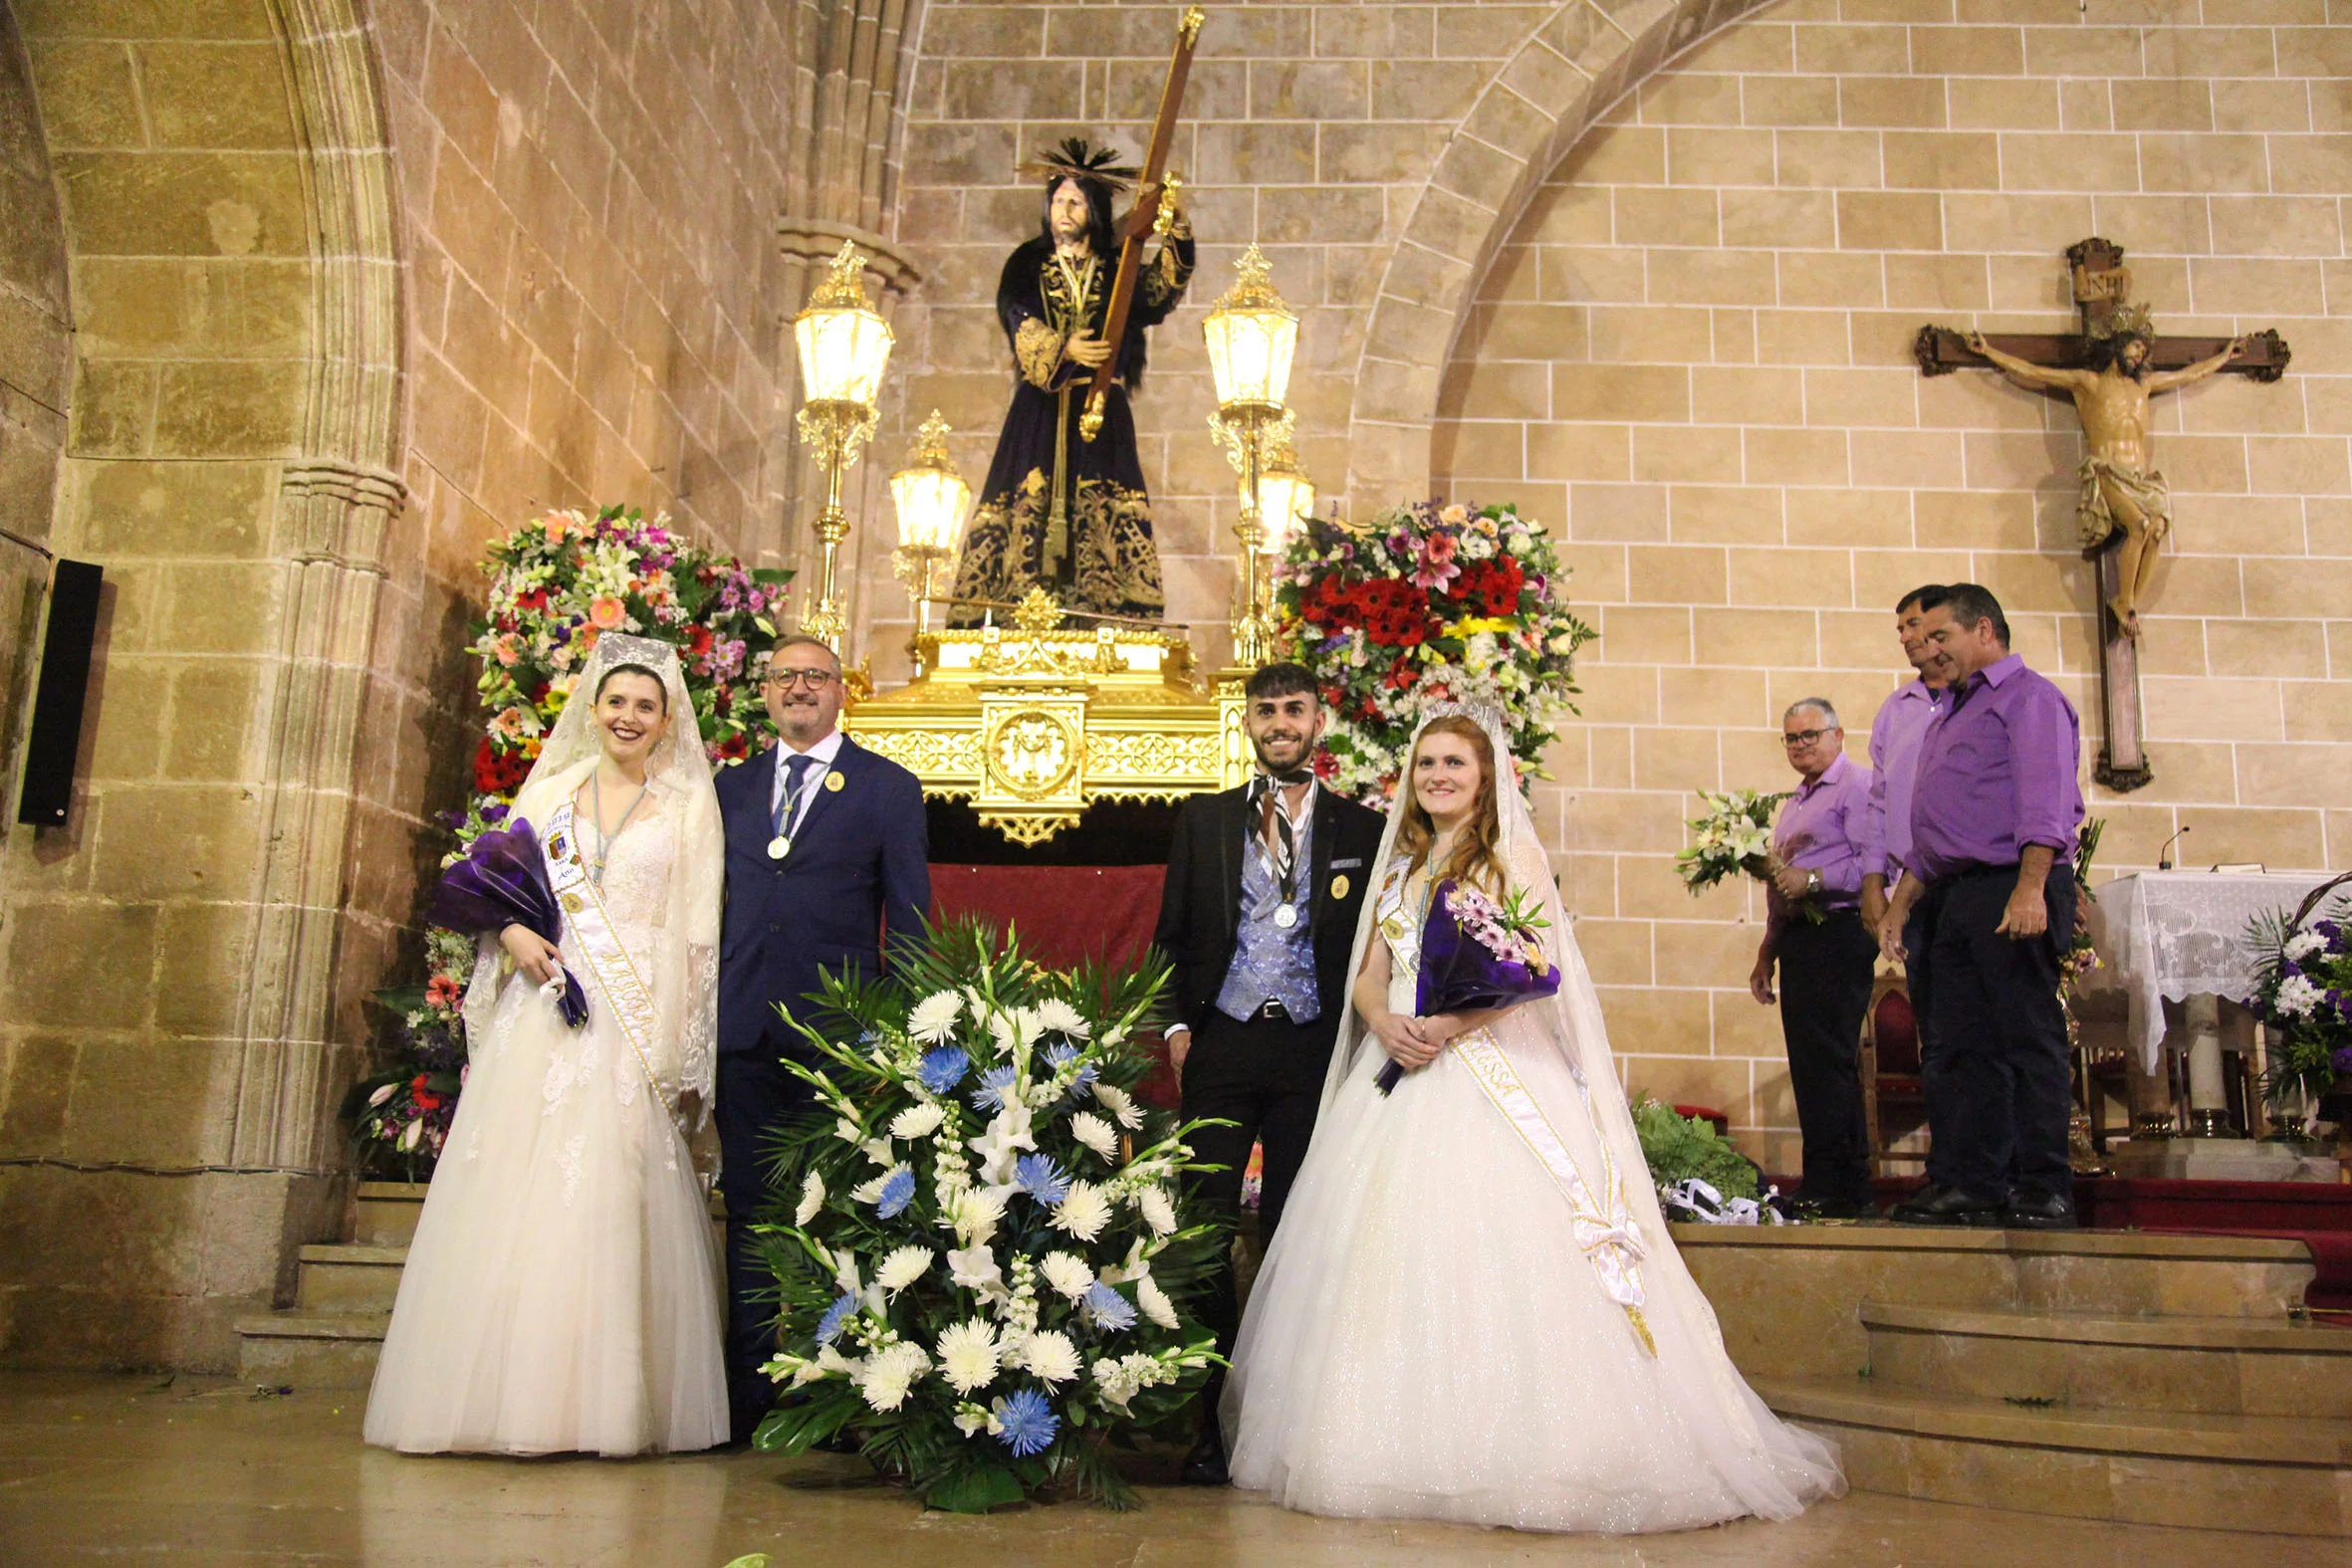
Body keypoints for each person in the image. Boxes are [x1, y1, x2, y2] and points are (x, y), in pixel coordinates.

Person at [1224, 706, 1845, 1531]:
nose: (1439, 775)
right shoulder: (1402, 858)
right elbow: (1369, 972)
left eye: (1456, 763)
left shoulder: (1511, 854)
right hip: (1399, 1064)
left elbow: (1536, 965)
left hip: (1493, 1067)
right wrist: (1385, 1022)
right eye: (1428, 763)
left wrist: (1447, 1025)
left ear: (1486, 778)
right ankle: (1387, 1438)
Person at [365, 634, 727, 1455]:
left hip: (638, 1016)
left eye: (645, 704)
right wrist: (516, 930)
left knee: (611, 1193)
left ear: (666, 718)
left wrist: (683, 1040)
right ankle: (493, 1399)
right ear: (593, 710)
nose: (629, 716)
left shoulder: (687, 808)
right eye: (616, 701)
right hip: (547, 1006)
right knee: (517, 1193)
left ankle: (603, 1404)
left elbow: (696, 935)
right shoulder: (552, 791)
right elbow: (504, 888)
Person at [1152, 661, 1384, 1486]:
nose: (1280, 721)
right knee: (1205, 1232)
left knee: (1295, 1232)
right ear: (1247, 721)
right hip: (1224, 1041)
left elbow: (1377, 942)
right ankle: (1206, 1421)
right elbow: (1171, 935)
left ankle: (1283, 1425)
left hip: (1312, 1049)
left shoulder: (1363, 827)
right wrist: (1179, 1025)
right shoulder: (1205, 819)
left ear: (1319, 720)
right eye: (1266, 709)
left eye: (1294, 708)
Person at [713, 633, 931, 1446]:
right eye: (784, 676)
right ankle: (749, 1394)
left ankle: (838, 1395)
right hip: (742, 1026)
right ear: (765, 694)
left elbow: (908, 923)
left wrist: (897, 1042)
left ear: (843, 692)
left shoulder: (886, 788)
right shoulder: (728, 789)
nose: (799, 688)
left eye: (815, 676)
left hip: (839, 1042)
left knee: (842, 1217)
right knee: (751, 1210)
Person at [1876, 585, 2085, 1231]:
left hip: (2008, 884)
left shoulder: (2028, 698)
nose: (1928, 649)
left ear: (1986, 630)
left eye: (1942, 636)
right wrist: (1902, 902)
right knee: (1956, 1045)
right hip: (1954, 894)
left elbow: (2045, 797)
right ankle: (1970, 1180)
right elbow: (1943, 829)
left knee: (2025, 1037)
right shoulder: (1955, 710)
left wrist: (2030, 888)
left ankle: (2042, 1182)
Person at [948, 137, 1194, 622]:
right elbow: (1015, 314)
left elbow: (1156, 294)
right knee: (1029, 498)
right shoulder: (1027, 262)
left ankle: (1105, 609)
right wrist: (1065, 349)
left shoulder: (1116, 265)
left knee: (1105, 496)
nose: (1065, 208)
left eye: (1076, 200)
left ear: (1094, 210)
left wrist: (1177, 230)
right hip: (1041, 406)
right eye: (1059, 199)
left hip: (1102, 409)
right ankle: (1022, 607)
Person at [1962, 324, 2241, 637]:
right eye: (2134, 349)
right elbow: (2034, 371)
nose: (2138, 357)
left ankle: (2129, 600)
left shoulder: (2144, 385)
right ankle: (2125, 601)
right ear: (2116, 347)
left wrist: (2225, 358)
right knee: (2140, 526)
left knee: (2158, 530)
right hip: (2109, 470)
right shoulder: (2088, 383)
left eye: (2142, 353)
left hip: (2141, 476)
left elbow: (2190, 374)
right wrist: (1989, 352)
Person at [1748, 699, 1876, 1218]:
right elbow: (1784, 884)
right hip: (1801, 937)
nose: (1800, 745)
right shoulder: (1795, 804)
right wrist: (1767, 951)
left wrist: (1815, 881)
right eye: (1791, 738)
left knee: (1831, 1061)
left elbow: (1874, 862)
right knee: (1808, 1064)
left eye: (1810, 735)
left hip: (1841, 931)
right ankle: (1824, 1177)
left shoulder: (1857, 787)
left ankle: (1846, 1185)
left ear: (1838, 735)